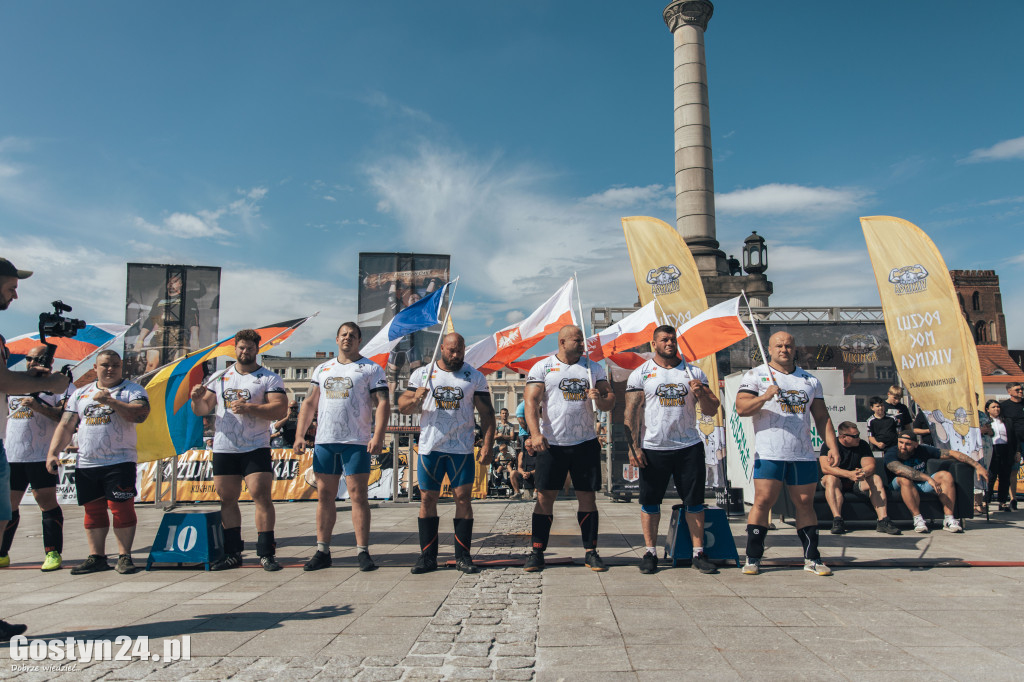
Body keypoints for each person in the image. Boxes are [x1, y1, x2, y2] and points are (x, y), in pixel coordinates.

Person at [0, 258, 71, 641]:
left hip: (34, 454)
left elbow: (61, 413)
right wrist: (40, 383)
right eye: (11, 286)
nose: (15, 293)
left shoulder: (29, 377)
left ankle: (52, 551)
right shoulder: (17, 371)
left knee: (38, 507)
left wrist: (41, 388)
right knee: (5, 514)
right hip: (9, 453)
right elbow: (4, 381)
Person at [736, 331, 839, 577]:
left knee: (804, 503)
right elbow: (741, 408)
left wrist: (832, 445)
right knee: (763, 501)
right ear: (770, 349)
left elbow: (822, 416)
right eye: (779, 345)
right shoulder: (755, 375)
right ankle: (753, 557)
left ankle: (812, 558)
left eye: (788, 346)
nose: (784, 349)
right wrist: (765, 396)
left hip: (801, 453)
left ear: (795, 349)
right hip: (770, 452)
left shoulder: (809, 380)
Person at [624, 325, 720, 575]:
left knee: (694, 501)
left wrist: (702, 393)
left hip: (688, 445)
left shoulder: (693, 371)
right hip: (654, 446)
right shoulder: (641, 373)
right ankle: (650, 552)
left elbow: (711, 409)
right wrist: (633, 447)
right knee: (650, 501)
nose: (670, 343)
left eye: (673, 339)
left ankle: (699, 553)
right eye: (664, 340)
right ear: (653, 344)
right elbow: (631, 412)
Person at [397, 333, 495, 574]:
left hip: (461, 448)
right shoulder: (422, 374)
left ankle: (463, 556)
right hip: (431, 447)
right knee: (428, 499)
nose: (455, 355)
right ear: (442, 348)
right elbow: (403, 405)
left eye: (459, 351)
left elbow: (487, 414)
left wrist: (488, 445)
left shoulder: (474, 376)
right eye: (451, 350)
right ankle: (427, 557)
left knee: (463, 499)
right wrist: (416, 399)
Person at [190, 329, 288, 571]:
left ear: (257, 350)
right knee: (227, 499)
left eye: (250, 348)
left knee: (261, 496)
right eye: (241, 348)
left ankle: (266, 552)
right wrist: (196, 398)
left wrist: (250, 408)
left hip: (255, 445)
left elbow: (279, 409)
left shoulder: (268, 378)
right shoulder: (220, 377)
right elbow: (203, 410)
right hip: (225, 447)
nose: (245, 352)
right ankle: (233, 552)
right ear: (235, 348)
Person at [295, 322, 389, 572]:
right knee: (325, 496)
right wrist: (300, 435)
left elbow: (382, 403)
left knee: (358, 496)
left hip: (356, 441)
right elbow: (309, 403)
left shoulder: (371, 368)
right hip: (326, 440)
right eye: (343, 335)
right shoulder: (322, 369)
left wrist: (378, 435)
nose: (347, 338)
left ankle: (362, 551)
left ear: (359, 341)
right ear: (336, 339)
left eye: (353, 335)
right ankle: (322, 550)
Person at [523, 325, 616, 572]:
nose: (582, 344)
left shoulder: (592, 367)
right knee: (544, 498)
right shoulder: (543, 367)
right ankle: (537, 551)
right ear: (562, 342)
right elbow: (530, 402)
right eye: (577, 340)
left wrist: (601, 398)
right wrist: (535, 434)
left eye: (582, 340)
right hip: (552, 443)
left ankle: (591, 551)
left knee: (587, 497)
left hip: (584, 442)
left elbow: (609, 403)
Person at [47, 350, 149, 575]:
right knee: (93, 511)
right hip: (87, 462)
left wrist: (110, 401)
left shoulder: (132, 390)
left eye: (115, 365)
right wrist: (53, 452)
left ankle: (124, 556)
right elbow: (66, 425)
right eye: (105, 365)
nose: (110, 369)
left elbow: (140, 415)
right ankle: (97, 557)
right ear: (95, 368)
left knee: (121, 509)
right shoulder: (81, 393)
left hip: (119, 460)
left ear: (122, 367)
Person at [1, 346, 70, 572]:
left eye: (38, 358)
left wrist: (39, 407)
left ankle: (52, 552)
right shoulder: (15, 384)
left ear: (49, 361)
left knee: (46, 503)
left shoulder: (58, 386)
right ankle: (2, 552)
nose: (32, 362)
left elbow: (66, 418)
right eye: (29, 358)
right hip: (12, 455)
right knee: (8, 507)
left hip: (41, 455)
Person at [884, 430, 988, 533]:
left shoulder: (923, 449)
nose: (903, 446)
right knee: (905, 479)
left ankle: (949, 519)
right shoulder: (892, 452)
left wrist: (978, 466)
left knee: (945, 475)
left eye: (908, 444)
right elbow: (898, 469)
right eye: (900, 442)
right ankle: (918, 519)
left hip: (921, 485)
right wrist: (928, 478)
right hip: (899, 485)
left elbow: (952, 453)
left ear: (916, 445)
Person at [819, 421, 901, 535]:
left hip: (856, 480)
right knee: (830, 479)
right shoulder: (830, 445)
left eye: (858, 434)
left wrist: (863, 472)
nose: (858, 438)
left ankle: (883, 520)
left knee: (876, 478)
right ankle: (837, 520)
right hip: (838, 480)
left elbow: (871, 466)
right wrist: (849, 474)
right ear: (843, 437)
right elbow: (825, 468)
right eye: (855, 436)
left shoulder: (862, 445)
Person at [135, 271, 200, 374]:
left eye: (174, 281)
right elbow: (149, 321)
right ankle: (147, 388)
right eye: (169, 282)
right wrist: (140, 341)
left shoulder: (188, 301)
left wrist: (195, 341)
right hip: (160, 336)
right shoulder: (159, 301)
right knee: (151, 365)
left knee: (177, 366)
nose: (171, 284)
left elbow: (194, 323)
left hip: (179, 337)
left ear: (181, 284)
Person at [984, 400, 1017, 511]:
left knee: (1005, 477)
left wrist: (1017, 451)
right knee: (991, 476)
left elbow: (1014, 437)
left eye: (998, 407)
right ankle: (986, 501)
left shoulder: (1007, 421)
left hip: (1006, 449)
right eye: (993, 407)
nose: (996, 409)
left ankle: (1002, 502)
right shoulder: (985, 421)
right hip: (992, 449)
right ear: (988, 409)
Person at [998, 382, 1024, 509]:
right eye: (1017, 389)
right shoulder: (1004, 406)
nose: (1021, 391)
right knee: (1013, 470)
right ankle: (1013, 498)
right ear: (1009, 391)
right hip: (1014, 442)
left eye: (1021, 389)